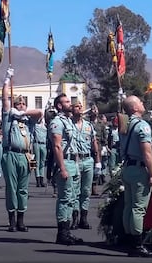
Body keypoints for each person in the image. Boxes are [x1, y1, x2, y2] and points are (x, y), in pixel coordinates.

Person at [1, 68, 43, 232]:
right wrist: (7, 80)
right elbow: (5, 99)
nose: (20, 106)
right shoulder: (8, 118)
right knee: (12, 188)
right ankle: (11, 220)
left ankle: (21, 220)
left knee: (23, 189)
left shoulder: (27, 120)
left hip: (26, 156)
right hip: (11, 154)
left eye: (23, 104)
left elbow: (40, 112)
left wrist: (22, 112)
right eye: (18, 104)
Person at [120, 95, 152, 257]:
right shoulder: (142, 126)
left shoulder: (124, 125)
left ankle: (128, 239)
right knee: (138, 208)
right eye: (140, 102)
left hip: (127, 167)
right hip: (139, 170)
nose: (143, 103)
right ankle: (137, 244)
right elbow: (147, 152)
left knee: (129, 205)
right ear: (134, 108)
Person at [49, 93, 83, 245]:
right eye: (67, 102)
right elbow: (57, 146)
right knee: (64, 198)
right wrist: (62, 168)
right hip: (65, 163)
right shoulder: (57, 122)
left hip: (73, 163)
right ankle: (61, 233)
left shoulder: (68, 121)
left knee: (72, 198)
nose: (71, 103)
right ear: (59, 106)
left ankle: (67, 231)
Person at [70, 100, 101, 231]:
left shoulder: (88, 125)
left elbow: (94, 143)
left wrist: (98, 160)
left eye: (81, 106)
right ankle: (75, 218)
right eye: (77, 107)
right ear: (72, 109)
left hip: (88, 159)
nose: (80, 109)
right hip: (75, 160)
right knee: (75, 191)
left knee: (86, 190)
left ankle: (84, 217)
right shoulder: (69, 124)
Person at [31, 115, 48, 188]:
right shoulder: (35, 125)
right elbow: (32, 135)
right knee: (36, 162)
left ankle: (42, 179)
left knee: (42, 162)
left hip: (43, 144)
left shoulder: (45, 126)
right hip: (36, 143)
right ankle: (37, 180)